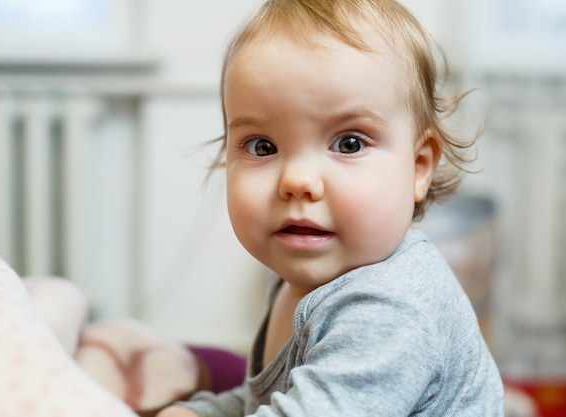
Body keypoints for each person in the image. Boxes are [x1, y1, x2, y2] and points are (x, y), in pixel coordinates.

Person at [156, 0, 505, 416]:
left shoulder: (390, 310)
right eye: (263, 146)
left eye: (349, 143)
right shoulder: (299, 283)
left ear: (418, 167)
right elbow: (272, 401)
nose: (297, 181)